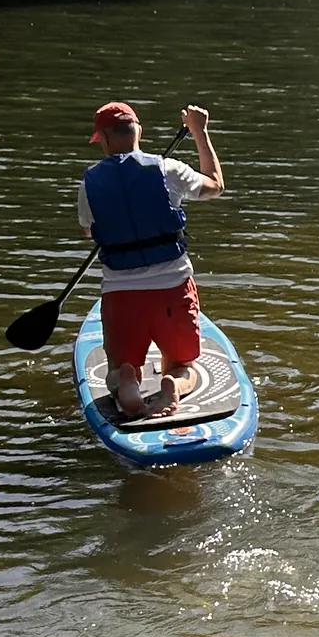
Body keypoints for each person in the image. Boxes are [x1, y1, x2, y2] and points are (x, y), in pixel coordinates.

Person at [79, 101, 226, 420]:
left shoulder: (89, 183)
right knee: (185, 366)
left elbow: (90, 233)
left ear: (103, 138)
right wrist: (199, 132)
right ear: (139, 131)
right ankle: (172, 381)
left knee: (116, 369)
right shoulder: (169, 170)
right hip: (172, 288)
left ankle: (125, 381)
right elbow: (215, 185)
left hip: (122, 295)